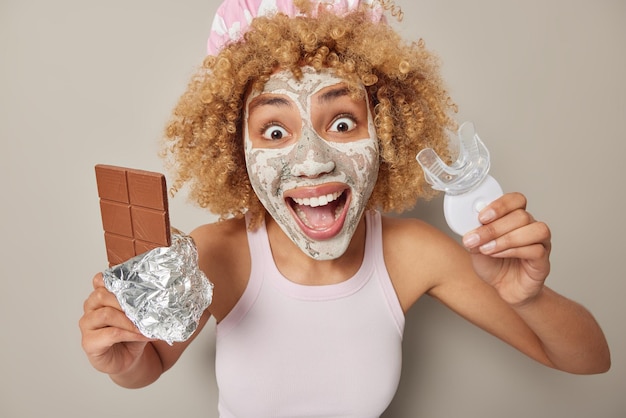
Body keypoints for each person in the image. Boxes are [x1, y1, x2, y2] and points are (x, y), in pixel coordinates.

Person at [79, 0, 611, 416]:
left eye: (341, 123)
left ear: (384, 131)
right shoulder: (217, 254)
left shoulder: (412, 254)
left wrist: (527, 297)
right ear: (237, 151)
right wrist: (121, 363)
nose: (312, 162)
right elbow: (146, 363)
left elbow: (589, 360)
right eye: (274, 130)